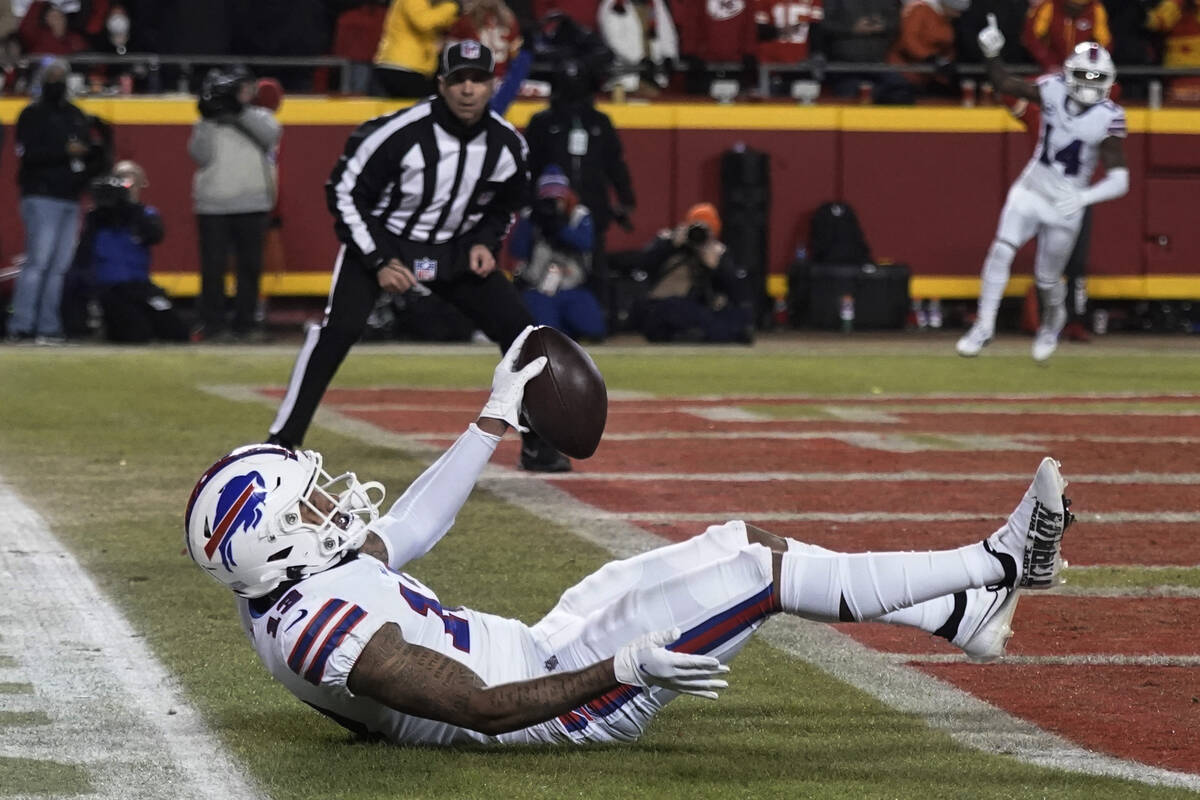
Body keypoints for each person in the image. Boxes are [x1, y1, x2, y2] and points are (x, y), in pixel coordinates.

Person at [185, 325, 1073, 746]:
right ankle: (1001, 559)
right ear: (269, 544)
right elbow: (479, 710)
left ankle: (961, 618)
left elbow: (410, 525)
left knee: (737, 538)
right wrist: (620, 671)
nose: (327, 504)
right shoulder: (316, 631)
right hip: (557, 707)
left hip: (535, 647)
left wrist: (492, 418)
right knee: (758, 574)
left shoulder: (298, 587)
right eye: (303, 508)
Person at [267, 41, 571, 474]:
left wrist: (485, 242)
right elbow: (343, 190)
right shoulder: (398, 132)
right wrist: (377, 260)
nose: (468, 90)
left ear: (492, 85)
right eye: (459, 80)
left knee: (525, 337)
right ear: (441, 84)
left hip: (455, 250)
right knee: (339, 331)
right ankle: (283, 442)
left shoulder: (506, 145)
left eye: (478, 80)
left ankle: (538, 444)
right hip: (386, 243)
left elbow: (505, 204)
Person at [956, 17, 1128, 362]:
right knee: (1001, 248)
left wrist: (1083, 196)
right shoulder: (1051, 88)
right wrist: (991, 54)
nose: (1090, 85)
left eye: (1097, 78)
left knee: (1047, 280)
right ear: (1069, 75)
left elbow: (1120, 180)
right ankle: (984, 325)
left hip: (1067, 201)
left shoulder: (1109, 117)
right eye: (1085, 76)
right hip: (1033, 187)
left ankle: (1053, 324)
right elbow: (1005, 82)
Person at [523, 53, 635, 324]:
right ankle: (540, 320)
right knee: (540, 266)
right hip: (548, 212)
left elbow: (615, 163)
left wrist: (626, 198)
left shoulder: (600, 123)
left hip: (593, 208)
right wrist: (530, 204)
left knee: (595, 265)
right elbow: (529, 166)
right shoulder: (542, 123)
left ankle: (599, 319)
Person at [7, 58, 102, 344]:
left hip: (69, 197)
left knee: (58, 267)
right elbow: (30, 155)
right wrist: (66, 152)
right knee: (38, 262)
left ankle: (48, 326)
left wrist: (90, 154)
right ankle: (22, 324)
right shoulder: (31, 114)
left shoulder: (75, 114)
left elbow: (87, 155)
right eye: (52, 76)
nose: (57, 82)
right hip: (41, 195)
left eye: (61, 76)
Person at [188, 65, 282, 342]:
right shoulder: (207, 122)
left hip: (253, 203)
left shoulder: (262, 116)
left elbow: (269, 137)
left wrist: (238, 113)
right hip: (213, 204)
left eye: (245, 87)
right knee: (213, 269)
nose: (243, 92)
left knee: (250, 269)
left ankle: (246, 324)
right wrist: (208, 117)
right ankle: (213, 324)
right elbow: (199, 156)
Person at [73, 160, 189, 343]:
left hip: (140, 285)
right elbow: (83, 255)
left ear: (141, 181)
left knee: (177, 332)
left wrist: (130, 209)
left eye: (130, 176)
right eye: (119, 176)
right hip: (110, 287)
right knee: (136, 333)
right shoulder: (97, 217)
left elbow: (155, 235)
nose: (125, 181)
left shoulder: (147, 213)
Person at [631, 203, 755, 344]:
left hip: (697, 308)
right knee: (674, 309)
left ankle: (694, 334)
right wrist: (670, 245)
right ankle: (709, 334)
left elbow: (736, 291)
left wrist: (716, 266)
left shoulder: (718, 252)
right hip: (663, 306)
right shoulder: (670, 241)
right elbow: (642, 264)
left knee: (738, 317)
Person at [509, 165, 608, 341]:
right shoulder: (530, 216)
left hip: (572, 285)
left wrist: (559, 228)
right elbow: (517, 251)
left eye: (558, 197)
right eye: (549, 198)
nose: (554, 202)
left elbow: (585, 244)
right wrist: (532, 225)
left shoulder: (579, 215)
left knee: (594, 330)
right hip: (538, 287)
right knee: (543, 334)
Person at [373, 0, 463, 98]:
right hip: (404, 67)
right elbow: (423, 22)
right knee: (428, 107)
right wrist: (452, 6)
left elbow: (436, 22)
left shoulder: (426, 5)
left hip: (406, 66)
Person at [888, 0, 970, 100]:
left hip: (929, 75)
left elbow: (947, 46)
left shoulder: (948, 20)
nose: (958, 15)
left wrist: (946, 62)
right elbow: (909, 40)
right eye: (956, 11)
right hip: (905, 72)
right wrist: (929, 57)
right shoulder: (920, 10)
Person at [820, 0, 901, 100]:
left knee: (900, 90)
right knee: (852, 94)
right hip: (844, 67)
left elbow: (895, 22)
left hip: (878, 64)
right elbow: (823, 24)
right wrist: (852, 28)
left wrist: (883, 25)